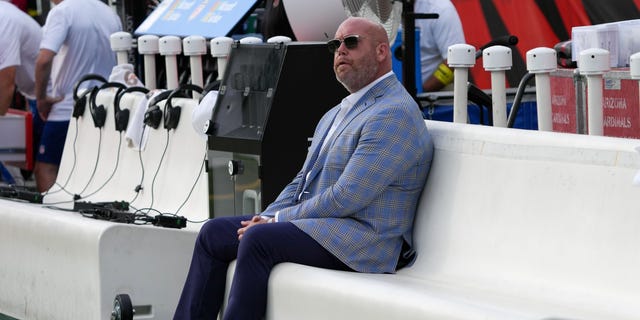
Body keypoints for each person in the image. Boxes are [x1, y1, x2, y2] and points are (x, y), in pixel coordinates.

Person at [173, 16, 434, 320]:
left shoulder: (393, 113)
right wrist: (268, 215)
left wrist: (275, 223)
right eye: (334, 44)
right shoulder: (337, 111)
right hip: (326, 226)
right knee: (213, 233)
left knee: (259, 241)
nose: (340, 50)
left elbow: (347, 197)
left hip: (367, 239)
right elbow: (303, 180)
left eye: (351, 42)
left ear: (381, 52)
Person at [34, 0, 122, 192]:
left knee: (46, 168)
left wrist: (41, 98)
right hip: (103, 109)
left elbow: (44, 59)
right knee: (91, 171)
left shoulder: (62, 12)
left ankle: (53, 219)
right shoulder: (110, 14)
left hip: (67, 108)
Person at [0, 0, 44, 185]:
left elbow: (7, 82)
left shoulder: (4, 20)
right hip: (34, 96)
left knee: (45, 168)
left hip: (49, 101)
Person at [415, 0, 465, 92]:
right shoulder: (382, 9)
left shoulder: (441, 8)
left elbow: (456, 59)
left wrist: (422, 92)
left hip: (432, 96)